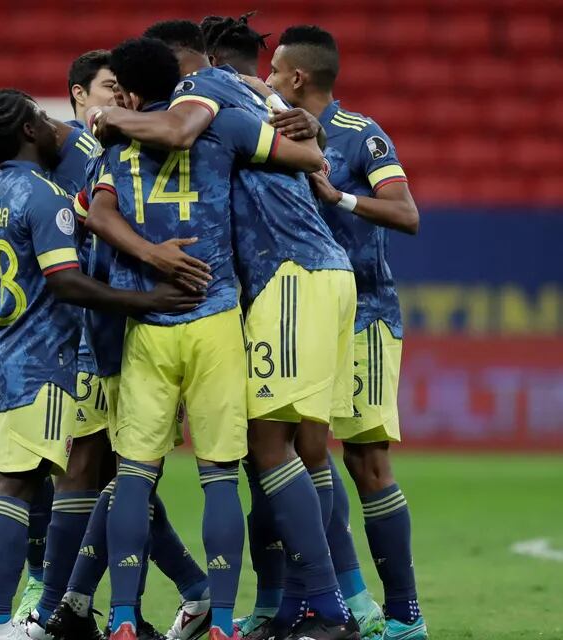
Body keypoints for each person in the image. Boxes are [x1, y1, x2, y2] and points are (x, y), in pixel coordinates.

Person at [91, 20, 361, 640]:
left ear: (130, 94)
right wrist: (304, 129)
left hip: (149, 321)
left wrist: (152, 253)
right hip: (215, 318)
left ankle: (126, 620)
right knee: (225, 472)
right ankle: (223, 622)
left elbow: (99, 212)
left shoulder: (115, 146)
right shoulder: (225, 127)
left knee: (135, 473)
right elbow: (308, 157)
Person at [0, 88, 201, 640]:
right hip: (41, 360)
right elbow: (67, 283)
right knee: (18, 487)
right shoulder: (44, 199)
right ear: (26, 131)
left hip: (4, 351)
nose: (51, 125)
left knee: (14, 482)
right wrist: (149, 301)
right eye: (41, 118)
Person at [199, 14, 385, 639]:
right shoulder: (266, 102)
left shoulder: (222, 97)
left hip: (293, 276)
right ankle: (302, 602)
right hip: (320, 278)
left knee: (268, 446)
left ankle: (327, 606)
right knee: (305, 448)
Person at [268, 25, 426, 640]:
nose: (270, 79)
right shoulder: (270, 135)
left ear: (297, 77)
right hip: (301, 313)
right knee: (305, 455)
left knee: (366, 461)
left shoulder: (361, 136)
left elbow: (407, 213)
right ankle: (351, 603)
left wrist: (342, 199)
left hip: (363, 313)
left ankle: (406, 614)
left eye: (275, 70)